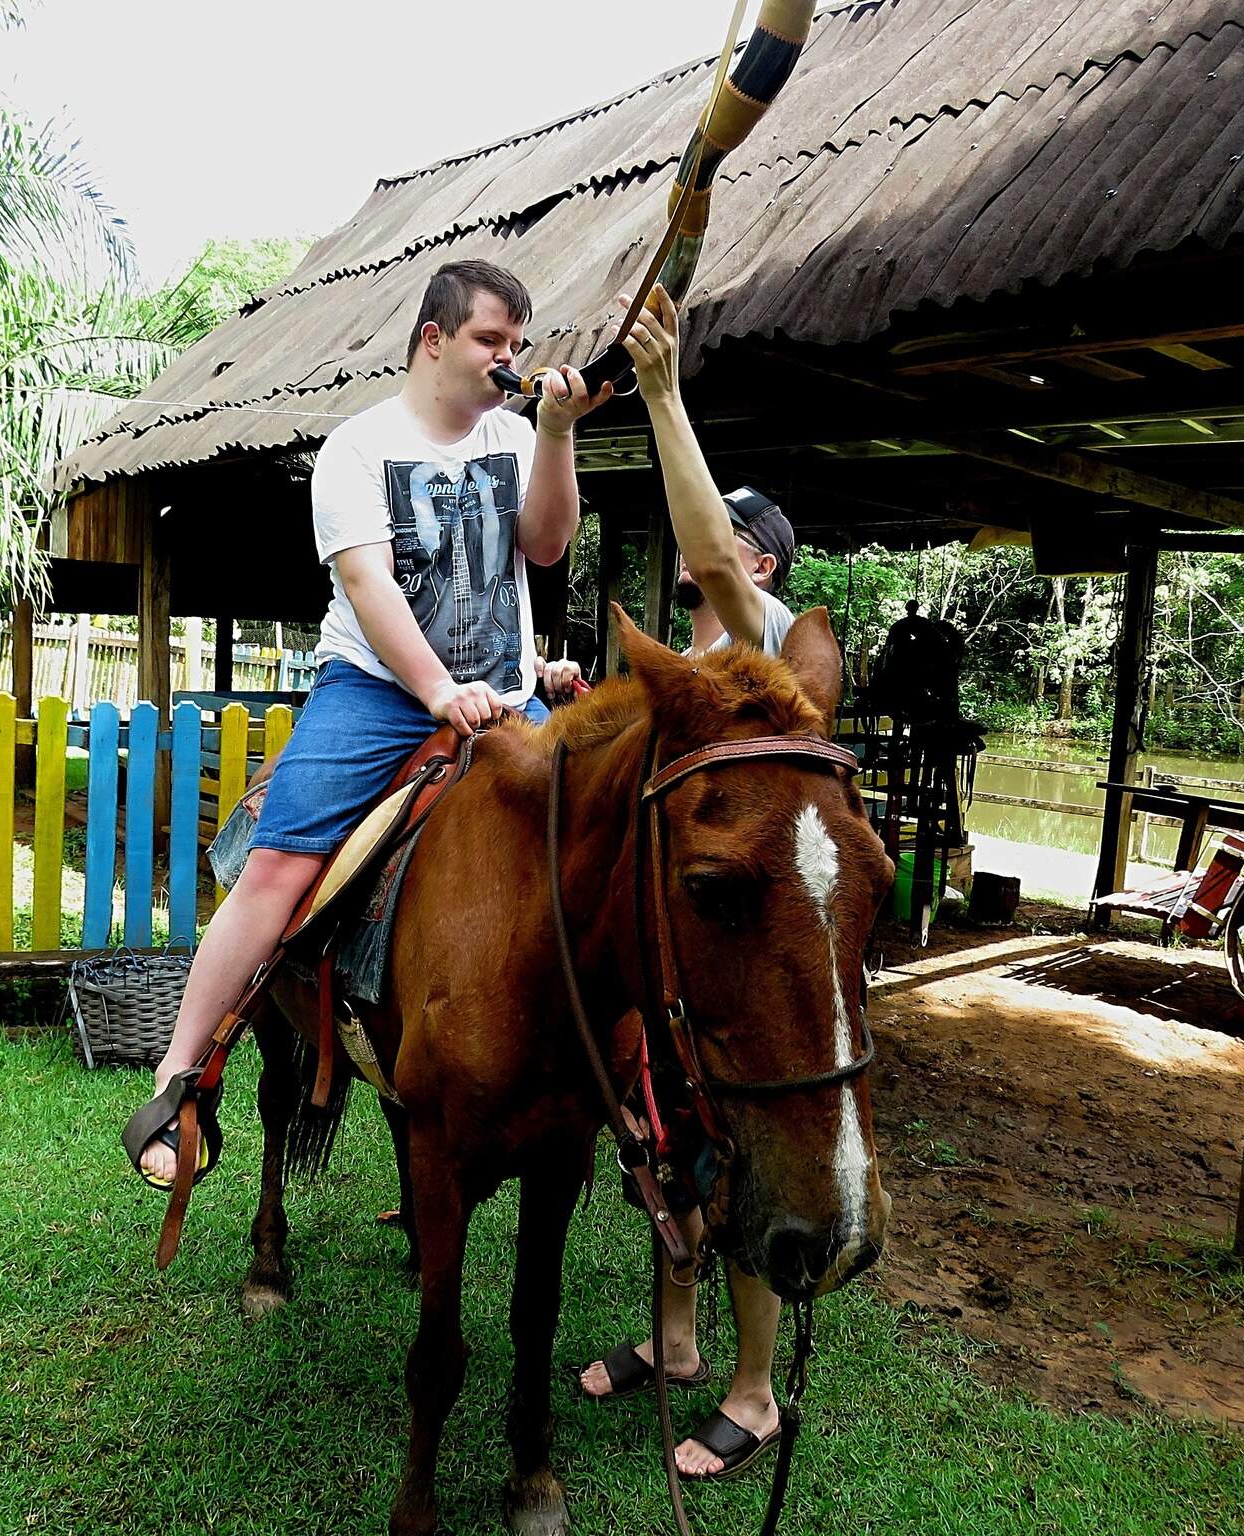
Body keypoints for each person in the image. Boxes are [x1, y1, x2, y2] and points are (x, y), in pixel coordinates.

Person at [128, 259, 611, 1185]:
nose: (507, 359)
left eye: (517, 344)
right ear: (435, 339)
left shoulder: (515, 438)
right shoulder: (358, 449)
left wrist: (555, 435)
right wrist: (435, 691)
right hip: (380, 694)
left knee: (613, 842)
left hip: (509, 696)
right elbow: (369, 584)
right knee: (278, 864)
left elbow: (547, 546)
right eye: (490, 341)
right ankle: (182, 1078)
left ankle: (636, 1093)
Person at [552, 287, 798, 1483]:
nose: (696, 552)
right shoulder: (699, 662)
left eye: (718, 540)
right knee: (666, 1155)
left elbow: (702, 544)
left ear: (752, 564)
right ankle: (678, 1343)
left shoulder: (761, 638)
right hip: (673, 957)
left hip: (737, 962)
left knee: (733, 1165)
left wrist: (660, 394)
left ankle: (754, 1397)